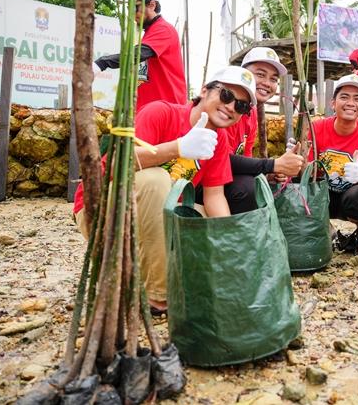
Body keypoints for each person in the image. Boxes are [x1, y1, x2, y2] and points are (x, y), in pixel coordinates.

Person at [73, 65, 256, 314]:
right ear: (204, 91)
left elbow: (214, 196)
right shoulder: (161, 113)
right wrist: (177, 147)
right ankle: (157, 296)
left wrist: (229, 241)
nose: (231, 107)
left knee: (201, 219)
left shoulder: (218, 139)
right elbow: (115, 164)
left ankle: (150, 273)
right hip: (104, 211)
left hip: (159, 221)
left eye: (241, 106)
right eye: (226, 96)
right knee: (157, 180)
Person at [209, 47, 305, 214]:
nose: (267, 83)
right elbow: (221, 159)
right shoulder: (225, 109)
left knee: (260, 184)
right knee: (248, 188)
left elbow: (243, 159)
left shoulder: (251, 112)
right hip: (204, 179)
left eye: (273, 79)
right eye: (260, 75)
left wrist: (269, 174)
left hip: (219, 178)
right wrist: (273, 165)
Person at [310, 74, 358, 255]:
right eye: (344, 97)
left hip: (349, 197)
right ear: (333, 103)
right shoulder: (317, 128)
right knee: (296, 186)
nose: (351, 103)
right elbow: (304, 169)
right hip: (323, 196)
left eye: (357, 99)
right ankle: (327, 230)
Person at [93, 0, 187, 111]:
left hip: (166, 112)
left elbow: (138, 54)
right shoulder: (149, 33)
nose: (131, 14)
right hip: (148, 111)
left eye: (135, 7)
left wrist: (102, 63)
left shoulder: (164, 29)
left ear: (152, 5)